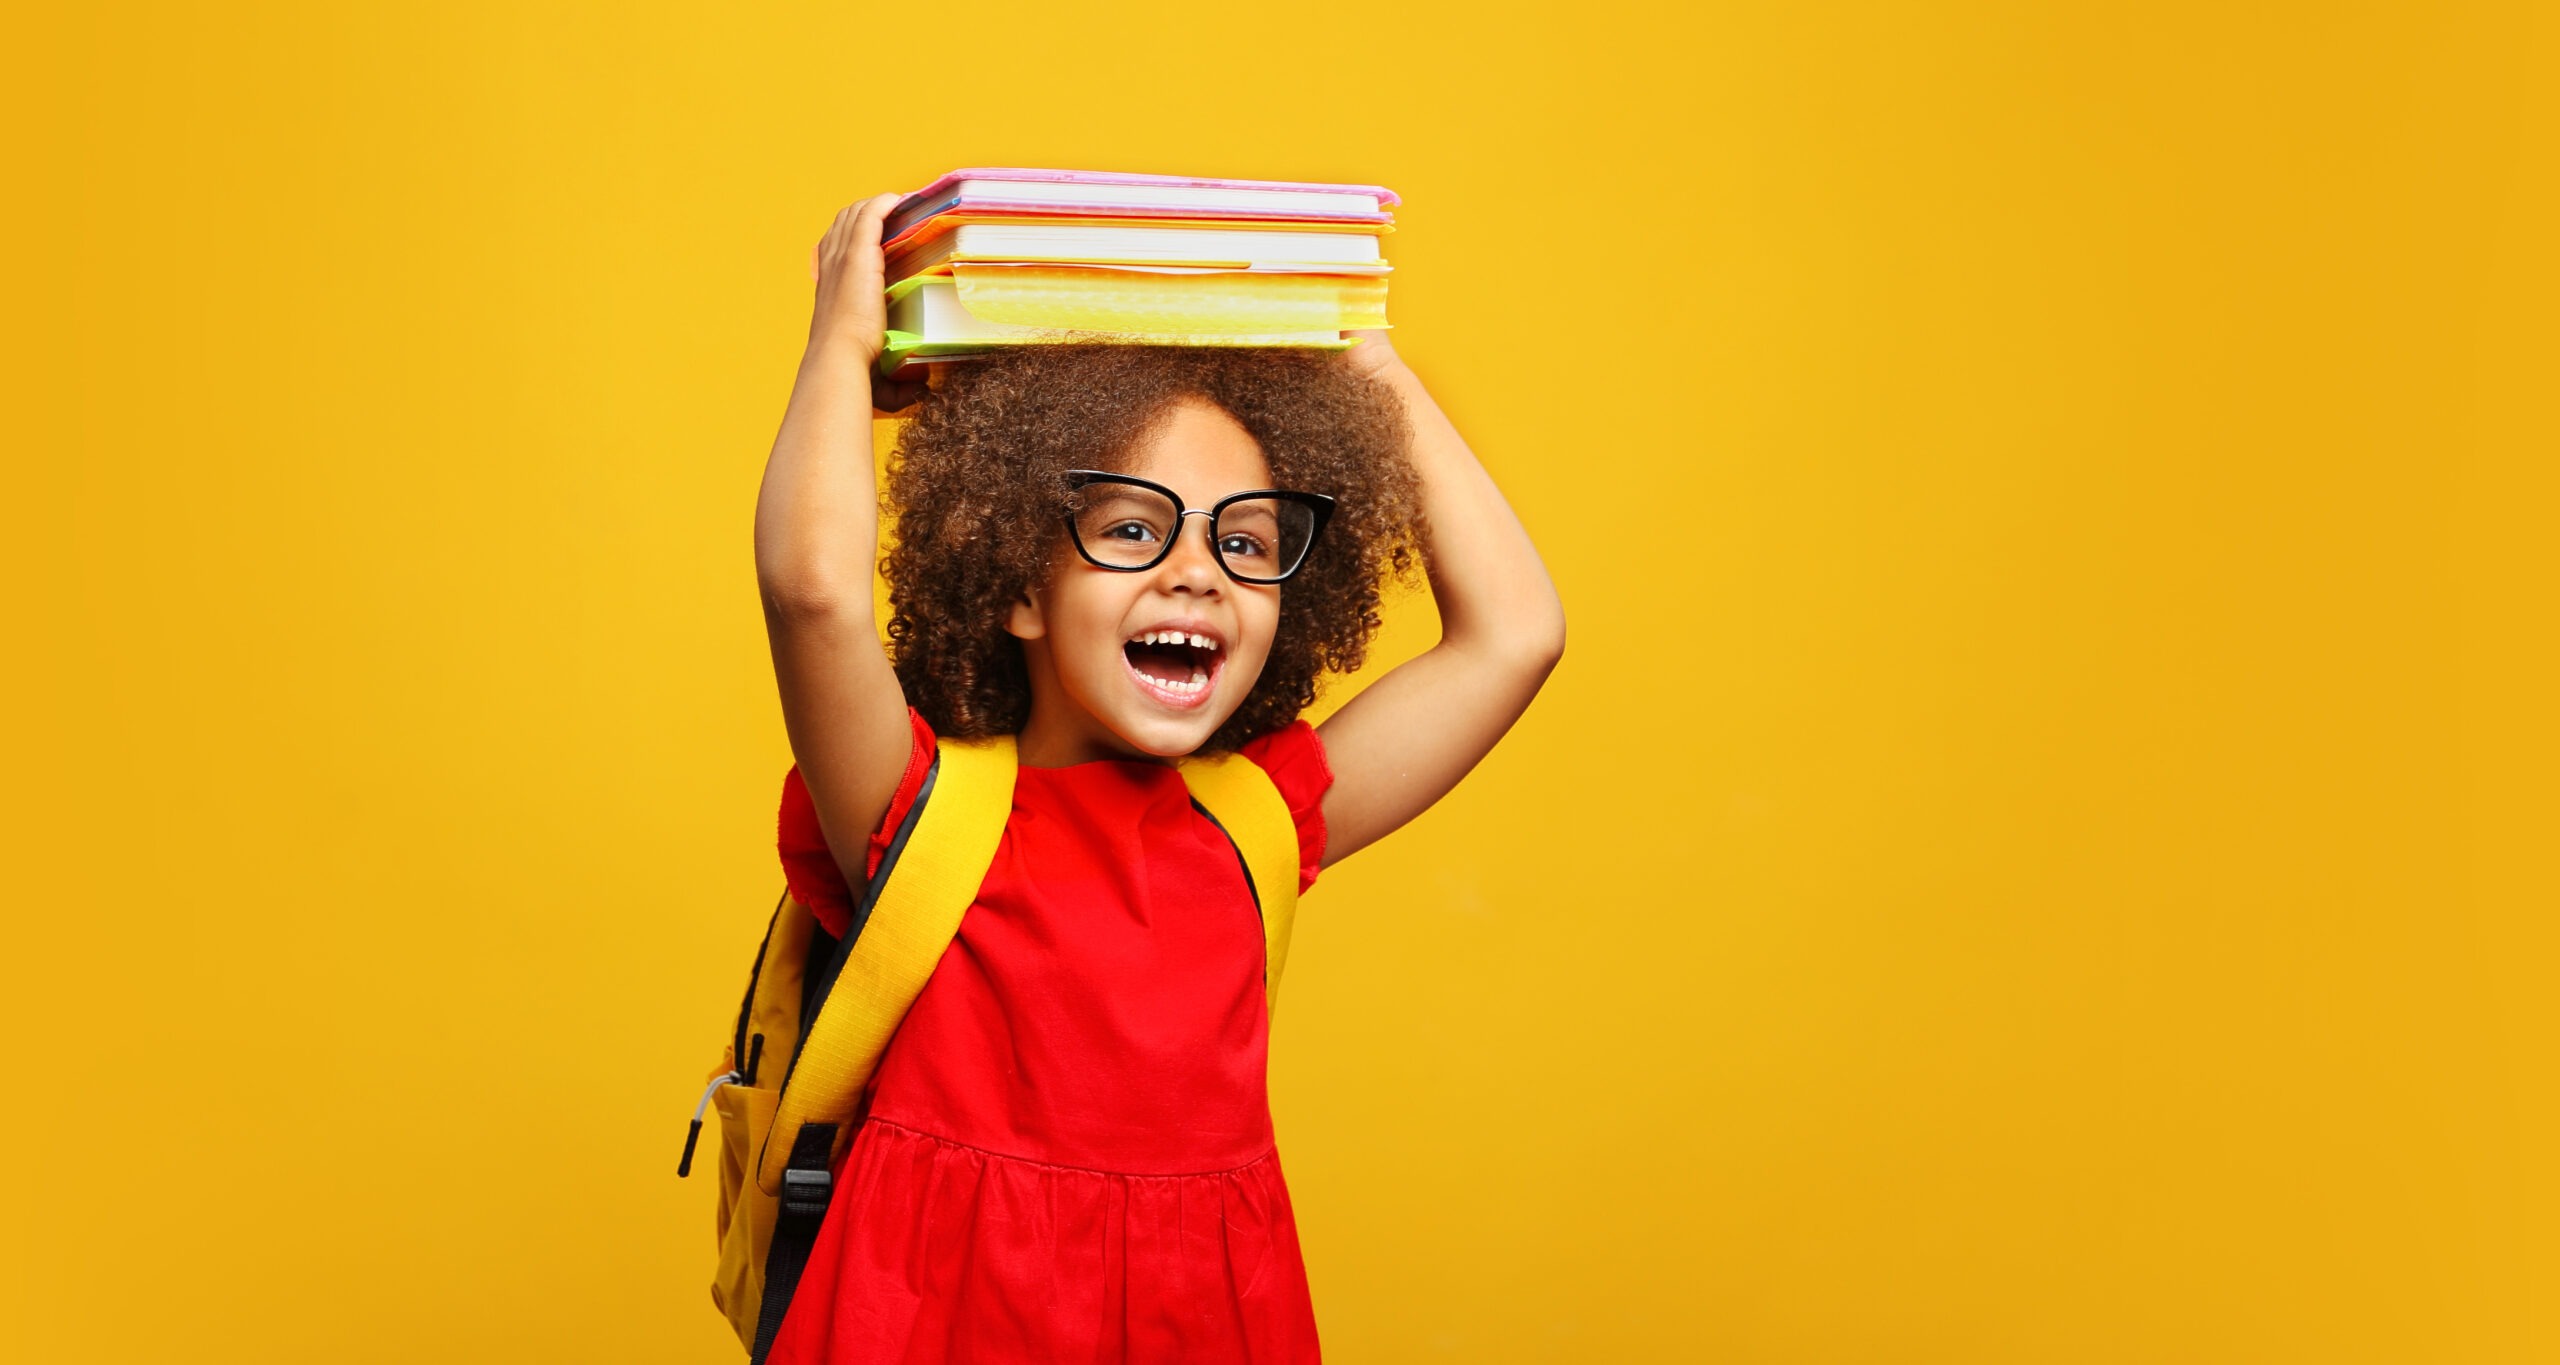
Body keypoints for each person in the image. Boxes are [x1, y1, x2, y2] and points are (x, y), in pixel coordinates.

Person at [754, 192, 1565, 1364]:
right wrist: (839, 347)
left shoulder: (1257, 818)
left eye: (1243, 542)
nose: (1198, 574)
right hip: (937, 1318)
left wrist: (1355, 343)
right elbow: (814, 593)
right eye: (1132, 530)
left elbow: (1514, 636)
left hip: (1204, 1320)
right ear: (1016, 589)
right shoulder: (917, 808)